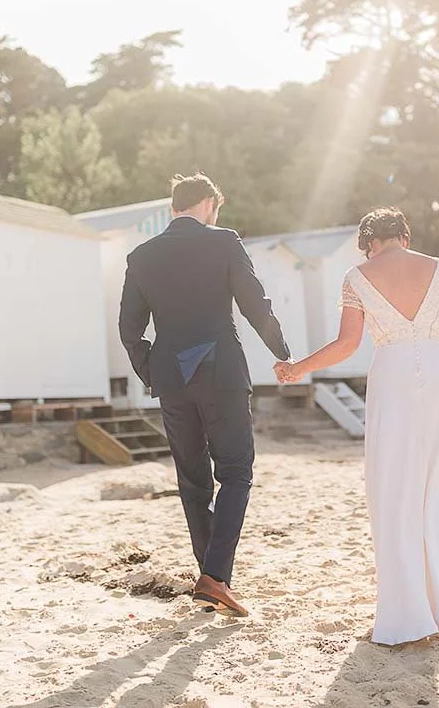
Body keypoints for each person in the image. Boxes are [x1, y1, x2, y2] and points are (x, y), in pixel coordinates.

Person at [275, 207, 439, 646]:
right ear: (404, 236)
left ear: (369, 242)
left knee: (392, 489)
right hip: (437, 372)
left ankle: (409, 613)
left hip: (392, 376)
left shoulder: (357, 277)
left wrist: (299, 368)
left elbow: (347, 344)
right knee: (430, 485)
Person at [119, 172, 290, 618]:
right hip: (221, 372)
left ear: (174, 205)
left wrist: (152, 370)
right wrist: (282, 353)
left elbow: (129, 329)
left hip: (172, 380)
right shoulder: (224, 241)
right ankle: (214, 577)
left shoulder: (141, 256)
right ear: (208, 204)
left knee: (192, 481)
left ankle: (210, 579)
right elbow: (254, 301)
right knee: (236, 472)